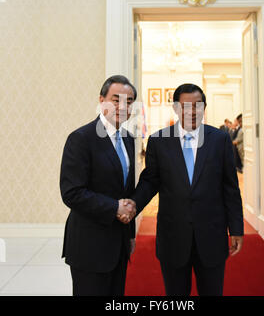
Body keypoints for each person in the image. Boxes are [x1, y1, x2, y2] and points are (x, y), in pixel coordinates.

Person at [121, 83, 244, 296]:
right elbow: (150, 181)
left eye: (197, 105)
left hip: (211, 236)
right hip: (173, 238)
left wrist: (236, 228)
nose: (192, 111)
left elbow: (230, 188)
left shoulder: (220, 140)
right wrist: (133, 204)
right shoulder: (159, 141)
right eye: (186, 106)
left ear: (204, 107)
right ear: (176, 109)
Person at [60, 75, 137, 296]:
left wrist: (130, 234)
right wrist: (115, 208)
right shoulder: (81, 138)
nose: (123, 106)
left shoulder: (129, 138)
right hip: (89, 244)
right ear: (101, 100)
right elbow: (71, 193)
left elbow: (127, 191)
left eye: (129, 101)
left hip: (119, 244)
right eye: (116, 99)